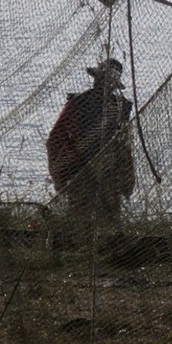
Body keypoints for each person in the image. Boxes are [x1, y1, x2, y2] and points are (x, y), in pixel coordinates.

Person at [46, 57, 136, 222]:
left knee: (106, 223)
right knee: (82, 221)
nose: (100, 83)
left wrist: (127, 177)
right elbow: (55, 139)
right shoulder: (78, 104)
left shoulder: (120, 107)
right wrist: (60, 170)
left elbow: (124, 144)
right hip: (81, 173)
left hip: (108, 175)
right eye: (100, 79)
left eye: (104, 79)